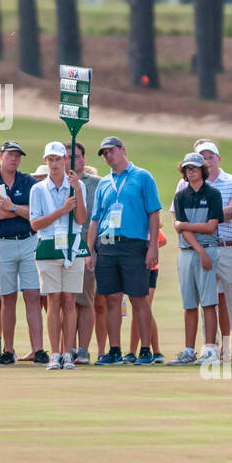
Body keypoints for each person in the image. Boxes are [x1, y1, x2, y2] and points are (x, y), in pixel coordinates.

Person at [87, 136, 162, 365]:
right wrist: (89, 250)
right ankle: (115, 350)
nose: (108, 156)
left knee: (139, 298)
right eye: (104, 153)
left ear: (122, 150)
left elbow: (154, 213)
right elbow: (95, 219)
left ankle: (146, 350)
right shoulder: (104, 183)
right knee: (111, 298)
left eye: (111, 151)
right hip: (107, 244)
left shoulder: (142, 177)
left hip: (134, 243)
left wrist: (153, 247)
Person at [175, 140, 232, 362]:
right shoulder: (181, 191)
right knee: (202, 301)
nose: (206, 159)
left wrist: (184, 225)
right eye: (200, 157)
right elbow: (177, 221)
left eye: (209, 156)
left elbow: (229, 215)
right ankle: (211, 349)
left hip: (224, 247)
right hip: (195, 251)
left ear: (216, 159)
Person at [0, 140, 44, 365]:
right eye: (10, 155)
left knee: (33, 296)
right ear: (0, 156)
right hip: (1, 243)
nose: (14, 159)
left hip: (28, 242)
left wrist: (14, 207)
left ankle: (38, 349)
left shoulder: (28, 181)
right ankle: (8, 350)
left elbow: (35, 214)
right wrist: (21, 211)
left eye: (18, 156)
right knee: (8, 298)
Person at [28, 141, 88, 370]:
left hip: (72, 245)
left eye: (57, 159)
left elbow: (81, 219)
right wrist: (62, 210)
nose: (54, 164)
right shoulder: (38, 190)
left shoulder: (76, 185)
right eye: (50, 159)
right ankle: (55, 353)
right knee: (53, 301)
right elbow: (35, 223)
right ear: (46, 161)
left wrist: (79, 191)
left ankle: (67, 353)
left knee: (70, 300)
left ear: (65, 160)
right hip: (48, 245)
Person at [168, 152, 223, 365]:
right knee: (189, 304)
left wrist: (184, 226)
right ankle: (189, 351)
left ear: (203, 170)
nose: (191, 171)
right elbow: (182, 231)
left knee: (209, 302)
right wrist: (198, 249)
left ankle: (210, 350)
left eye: (195, 168)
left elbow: (211, 227)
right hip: (189, 253)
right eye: (188, 168)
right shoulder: (181, 196)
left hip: (208, 250)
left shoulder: (212, 194)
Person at [69, 143, 105, 365]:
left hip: (87, 247)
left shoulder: (97, 185)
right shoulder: (56, 183)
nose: (73, 161)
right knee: (64, 301)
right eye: (67, 157)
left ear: (84, 159)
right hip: (60, 246)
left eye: (77, 156)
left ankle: (83, 349)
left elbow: (98, 218)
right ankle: (66, 348)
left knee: (85, 300)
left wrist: (90, 250)